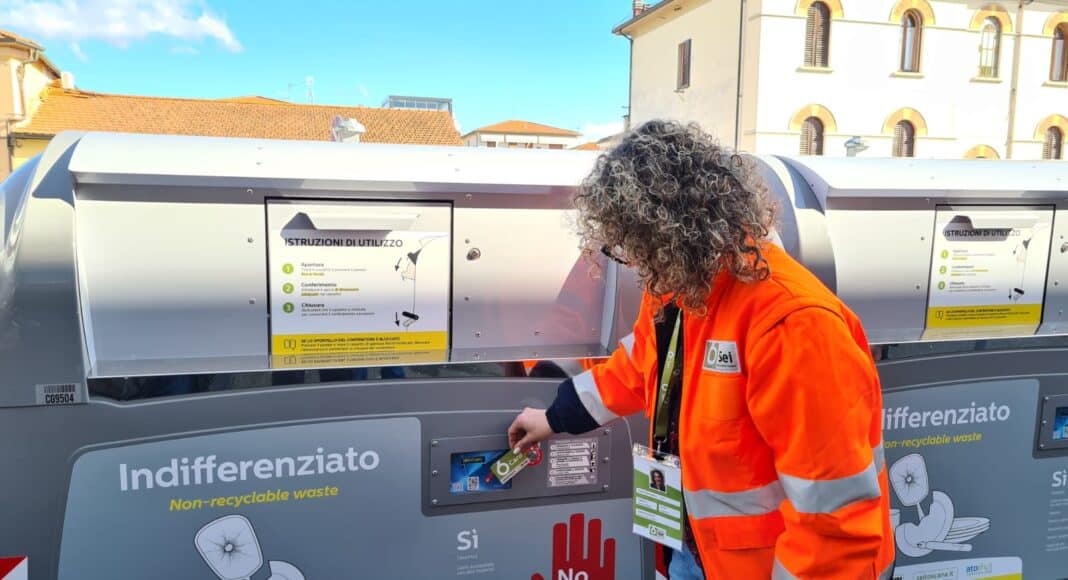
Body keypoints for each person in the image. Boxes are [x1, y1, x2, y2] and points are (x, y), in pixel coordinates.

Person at [507, 121, 895, 579]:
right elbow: (640, 364)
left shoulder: (793, 324)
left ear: (672, 233)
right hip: (697, 552)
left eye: (631, 247)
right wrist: (555, 418)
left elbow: (834, 523)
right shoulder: (680, 286)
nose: (630, 263)